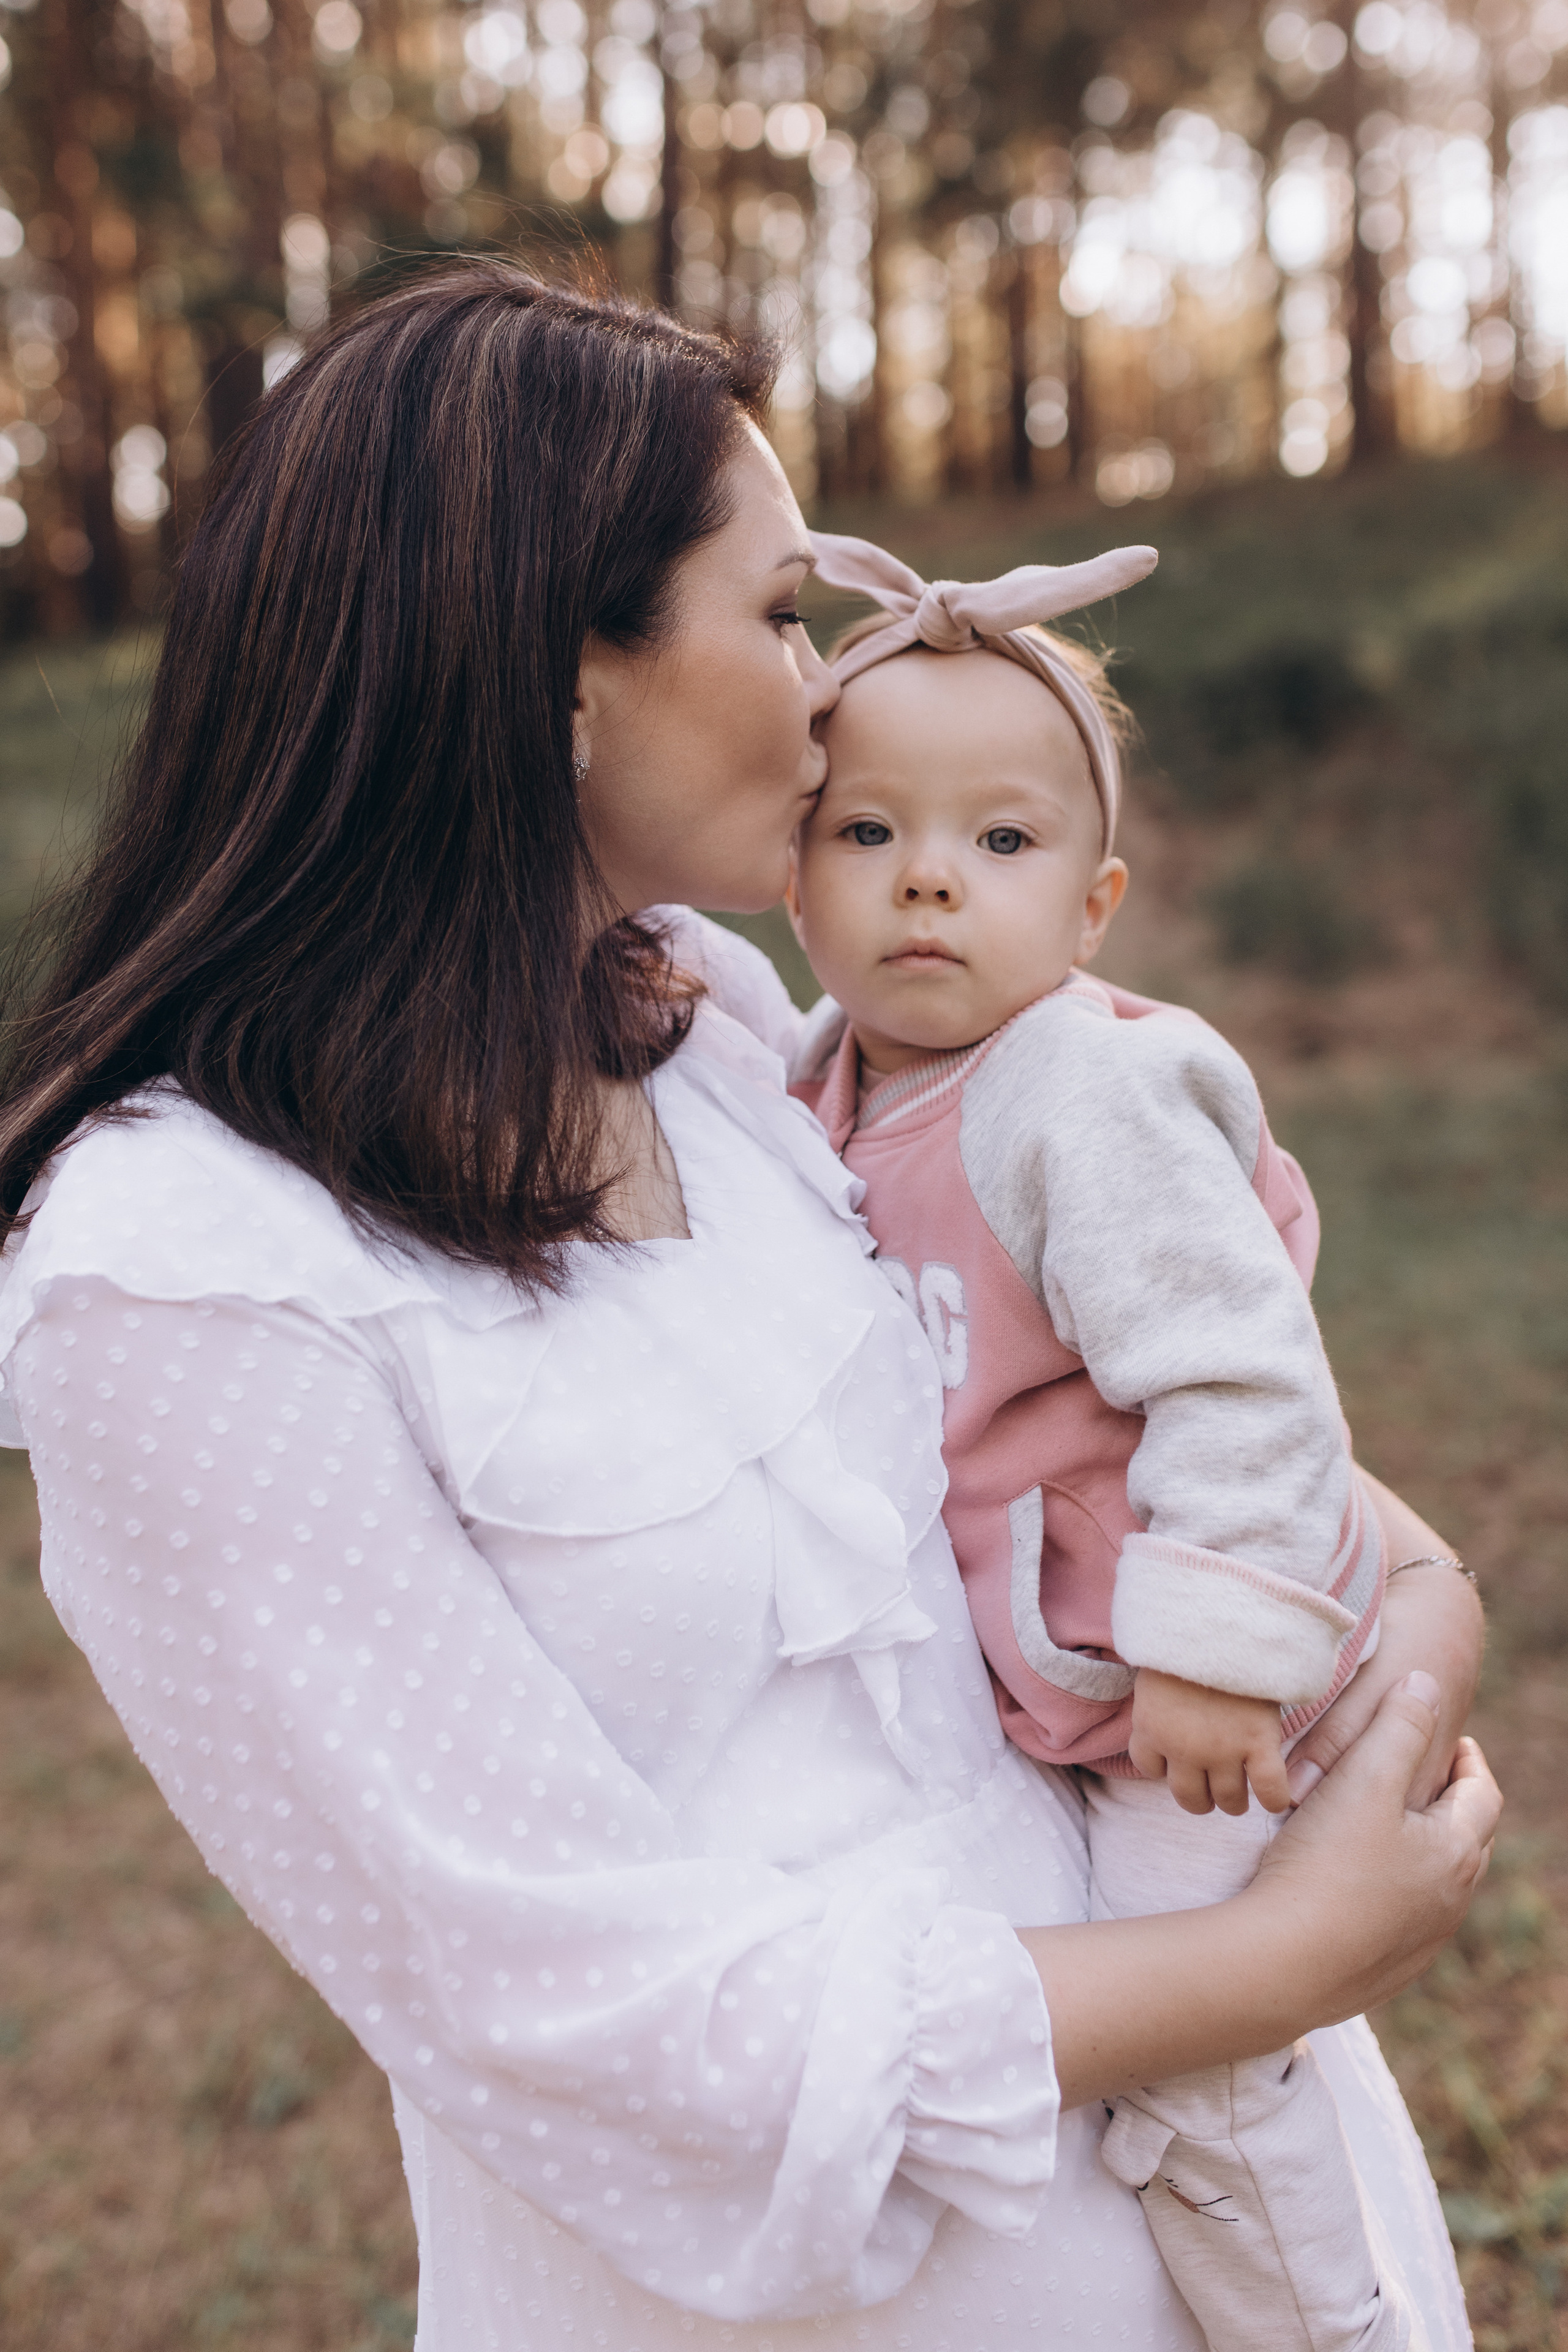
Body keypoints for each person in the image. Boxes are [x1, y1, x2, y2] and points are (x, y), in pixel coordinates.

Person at [0, 265, 1495, 2352]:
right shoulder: (184, 1278)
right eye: (787, 612)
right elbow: (577, 2019)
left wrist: (1411, 1641)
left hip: (1228, 2226)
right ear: (552, 674)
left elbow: (1097, 1423)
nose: (834, 693)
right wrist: (1279, 1959)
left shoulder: (710, 1028)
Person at [783, 533, 1427, 2350]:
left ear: (1094, 903)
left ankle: (1333, 2333)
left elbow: (1242, 1374)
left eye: (1001, 842)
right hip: (1071, 1657)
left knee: (1202, 2065)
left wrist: (1212, 1658)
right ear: (795, 875)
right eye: (868, 833)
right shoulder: (821, 1086)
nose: (928, 881)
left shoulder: (1079, 1085)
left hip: (1198, 1672)